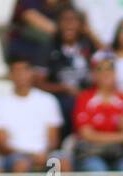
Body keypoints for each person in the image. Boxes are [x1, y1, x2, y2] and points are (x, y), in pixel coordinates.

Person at [0, 56, 73, 176]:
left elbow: (53, 139)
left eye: (25, 70)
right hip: (15, 157)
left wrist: (43, 154)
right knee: (20, 165)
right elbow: (2, 143)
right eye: (17, 71)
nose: (21, 75)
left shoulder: (47, 100)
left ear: (31, 73)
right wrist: (31, 156)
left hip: (46, 157)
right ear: (10, 75)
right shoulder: (1, 103)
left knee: (62, 164)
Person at [73, 51, 123, 176]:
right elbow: (87, 134)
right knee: (96, 170)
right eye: (100, 69)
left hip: (120, 153)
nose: (105, 73)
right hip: (93, 153)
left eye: (109, 68)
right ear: (93, 74)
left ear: (116, 73)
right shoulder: (85, 98)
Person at [38, 5, 96, 135]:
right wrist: (63, 88)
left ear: (81, 25)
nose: (69, 24)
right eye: (64, 20)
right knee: (66, 105)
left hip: (88, 95)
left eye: (74, 20)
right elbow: (38, 83)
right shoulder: (49, 46)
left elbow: (107, 57)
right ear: (58, 24)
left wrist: (90, 32)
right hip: (60, 97)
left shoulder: (88, 45)